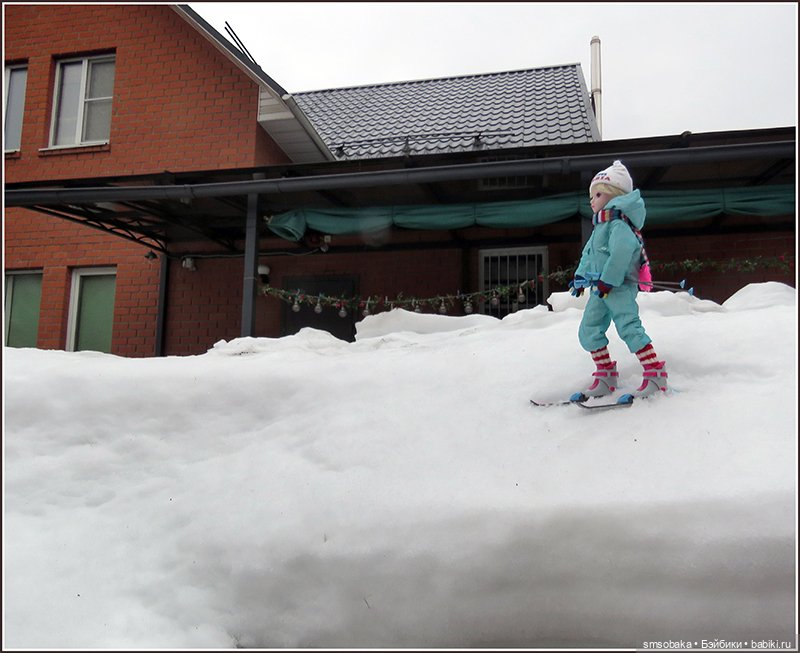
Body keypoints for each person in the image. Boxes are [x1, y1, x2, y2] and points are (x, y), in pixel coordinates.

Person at [569, 160, 668, 400]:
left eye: (598, 194)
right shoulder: (601, 225)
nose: (592, 201)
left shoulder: (619, 225)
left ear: (615, 195)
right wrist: (580, 277)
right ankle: (605, 374)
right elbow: (589, 254)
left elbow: (621, 254)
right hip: (600, 288)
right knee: (589, 328)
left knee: (628, 327)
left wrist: (609, 280)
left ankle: (655, 374)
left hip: (618, 287)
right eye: (591, 196)